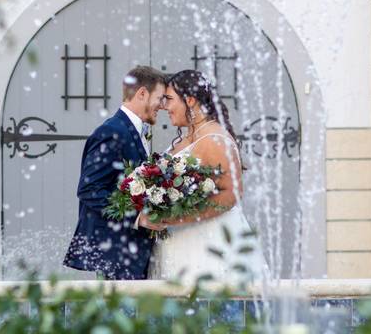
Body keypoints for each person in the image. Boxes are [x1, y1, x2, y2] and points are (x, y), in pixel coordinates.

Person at [142, 69, 268, 285]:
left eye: (170, 100)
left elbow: (231, 195)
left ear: (190, 100)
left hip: (210, 243)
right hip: (177, 240)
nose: (165, 107)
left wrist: (176, 217)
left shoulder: (215, 139)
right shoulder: (185, 137)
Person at [62, 66, 165, 279]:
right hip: (116, 255)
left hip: (129, 253)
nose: (162, 106)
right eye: (160, 98)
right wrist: (138, 217)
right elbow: (89, 190)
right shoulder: (111, 132)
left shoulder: (133, 131)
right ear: (142, 94)